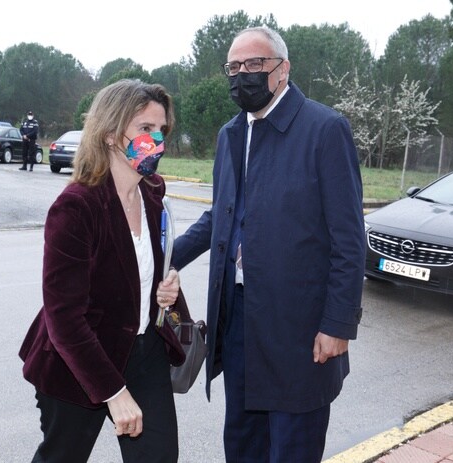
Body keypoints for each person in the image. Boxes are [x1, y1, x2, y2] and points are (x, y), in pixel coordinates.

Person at [171, 26, 365, 463]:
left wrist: (337, 325)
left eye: (255, 64)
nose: (243, 74)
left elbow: (350, 241)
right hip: (238, 318)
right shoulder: (230, 134)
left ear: (283, 69)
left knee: (291, 447)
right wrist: (165, 259)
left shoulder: (325, 129)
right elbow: (218, 217)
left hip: (300, 326)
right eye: (234, 67)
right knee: (242, 442)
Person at [19, 79, 185, 463]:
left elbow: (140, 266)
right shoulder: (76, 208)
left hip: (144, 350)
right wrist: (114, 392)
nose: (156, 139)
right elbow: (64, 318)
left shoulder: (153, 194)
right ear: (111, 134)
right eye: (145, 129)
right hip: (78, 360)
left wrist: (166, 288)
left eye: (162, 130)